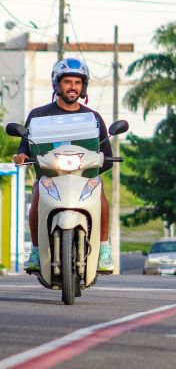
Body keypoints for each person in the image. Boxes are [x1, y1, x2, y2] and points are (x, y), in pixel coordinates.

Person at [13, 57, 115, 273]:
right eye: (68, 82)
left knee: (101, 190)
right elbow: (25, 147)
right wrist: (21, 155)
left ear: (83, 86)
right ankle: (35, 250)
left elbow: (106, 154)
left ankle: (104, 248)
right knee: (38, 191)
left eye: (78, 83)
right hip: (51, 176)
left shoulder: (93, 117)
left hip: (84, 176)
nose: (73, 87)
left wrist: (98, 165)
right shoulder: (38, 115)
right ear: (57, 84)